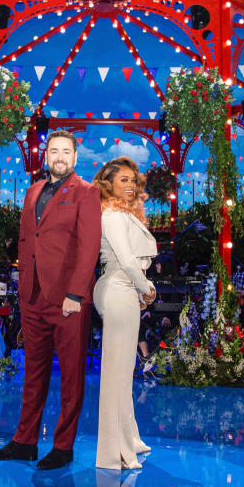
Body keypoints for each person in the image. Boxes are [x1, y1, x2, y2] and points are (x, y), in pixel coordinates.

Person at [0, 130, 101, 470]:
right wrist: (23, 286)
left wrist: (75, 294)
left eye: (66, 151)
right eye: (54, 150)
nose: (60, 156)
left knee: (71, 376)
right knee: (32, 373)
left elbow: (89, 247)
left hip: (68, 299)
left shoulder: (87, 193)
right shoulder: (33, 191)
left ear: (75, 158)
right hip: (33, 296)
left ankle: (63, 446)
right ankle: (24, 441)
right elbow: (27, 240)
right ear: (45, 155)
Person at [91, 156, 157, 470]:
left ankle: (128, 440)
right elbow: (128, 261)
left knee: (123, 373)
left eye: (133, 180)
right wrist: (146, 288)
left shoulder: (122, 214)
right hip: (118, 288)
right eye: (123, 180)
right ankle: (111, 451)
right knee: (115, 374)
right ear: (109, 185)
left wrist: (142, 288)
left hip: (125, 288)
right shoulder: (112, 214)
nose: (130, 186)